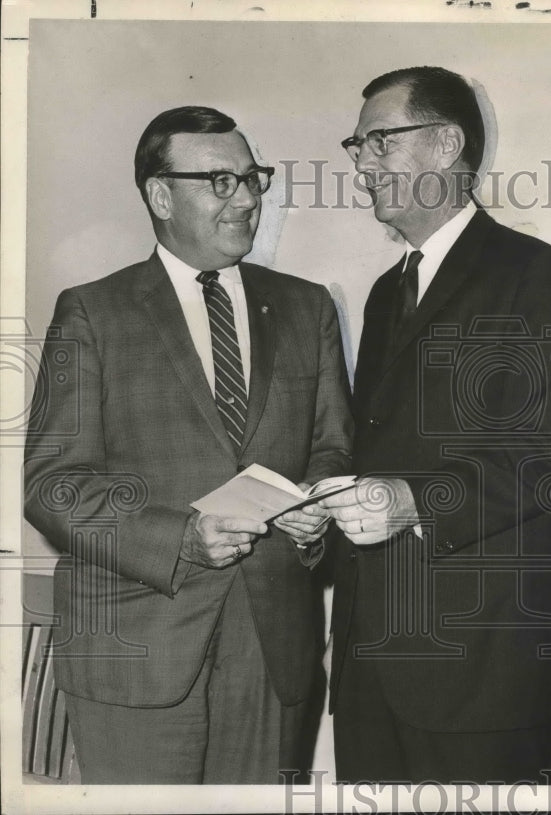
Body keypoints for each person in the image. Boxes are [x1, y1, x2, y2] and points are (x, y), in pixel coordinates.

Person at [23, 106, 353, 784]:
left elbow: (332, 450)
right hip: (135, 649)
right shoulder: (92, 311)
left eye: (252, 178)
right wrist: (182, 537)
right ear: (160, 195)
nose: (247, 198)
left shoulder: (308, 306)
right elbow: (53, 484)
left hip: (271, 650)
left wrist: (311, 513)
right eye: (220, 181)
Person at [318, 66, 551, 783]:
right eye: (358, 146)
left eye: (379, 142)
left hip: (480, 676)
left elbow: (543, 461)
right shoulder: (385, 293)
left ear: (444, 145)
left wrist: (407, 500)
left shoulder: (533, 273)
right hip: (373, 667)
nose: (362, 164)